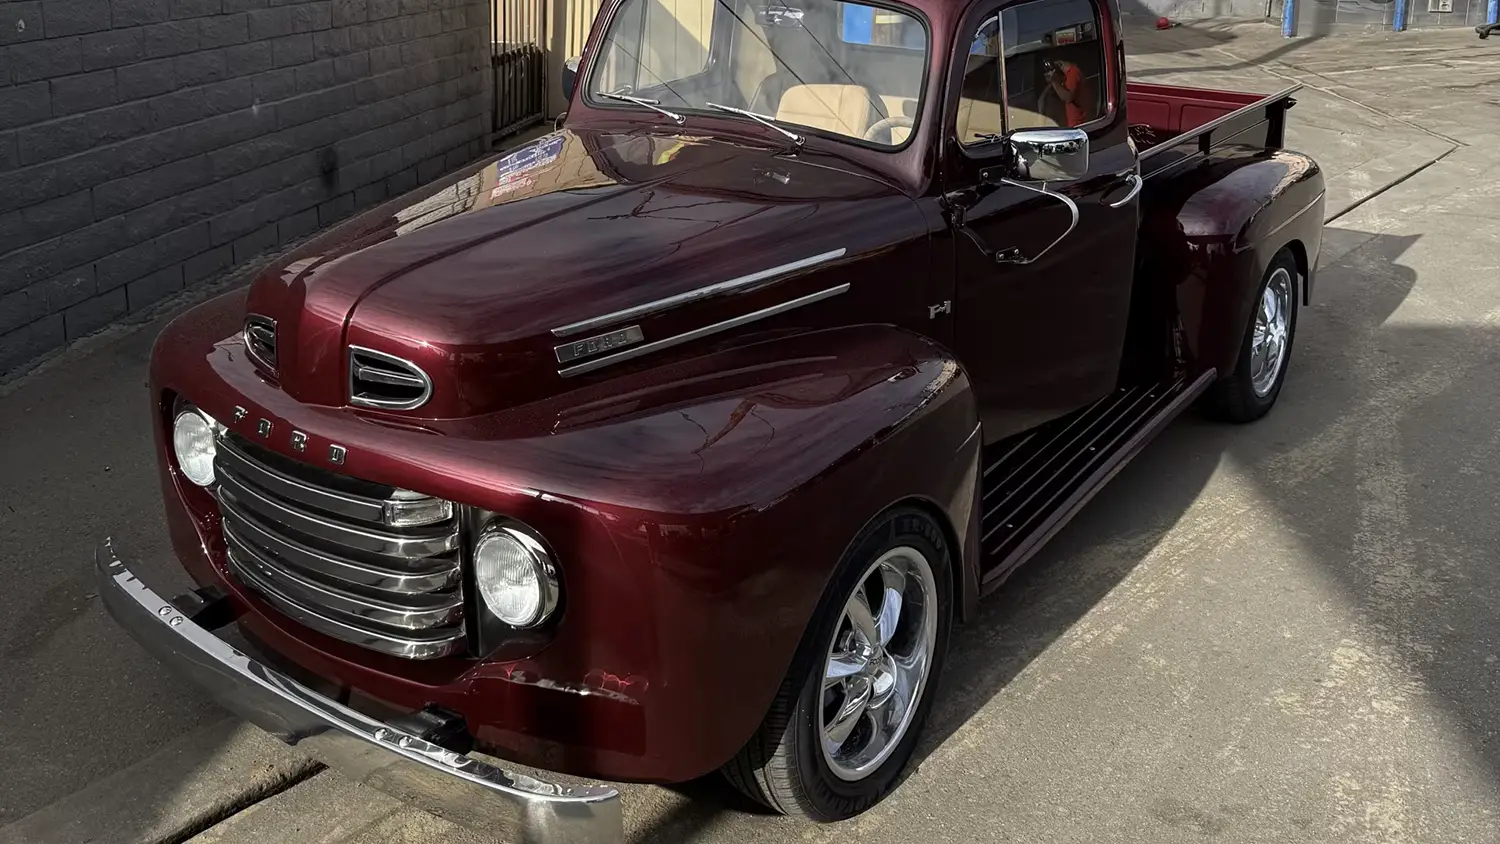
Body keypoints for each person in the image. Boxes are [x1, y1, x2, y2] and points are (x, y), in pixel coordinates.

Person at [1044, 58, 1092, 127]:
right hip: (1074, 124)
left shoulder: (1072, 73)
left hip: (1080, 124)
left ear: (1059, 65)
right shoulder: (1068, 75)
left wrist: (1054, 81)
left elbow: (1068, 97)